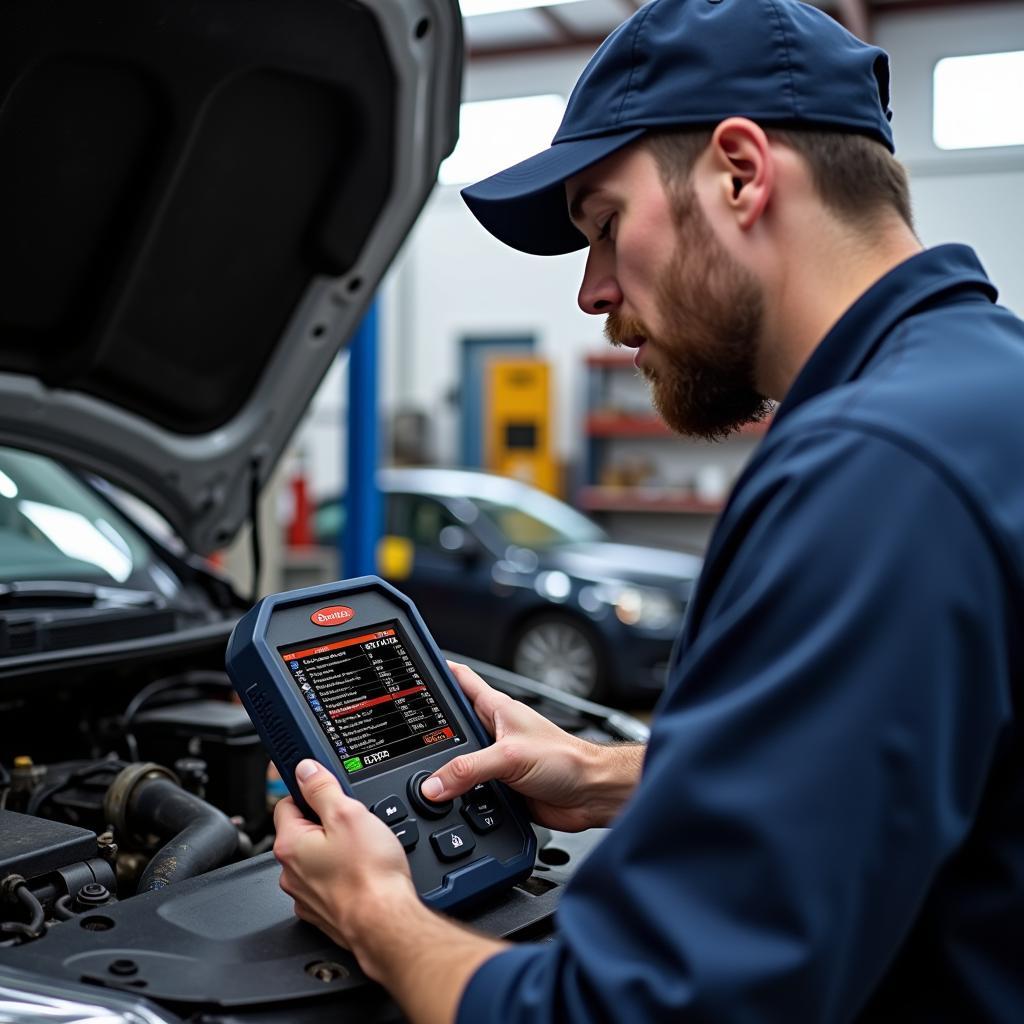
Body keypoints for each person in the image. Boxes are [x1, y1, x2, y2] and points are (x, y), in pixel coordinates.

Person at [273, 0, 1024, 1020]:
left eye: (603, 223)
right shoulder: (982, 393)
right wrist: (602, 774)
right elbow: (914, 776)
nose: (590, 290)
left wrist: (376, 915)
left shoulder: (873, 469)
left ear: (740, 172)